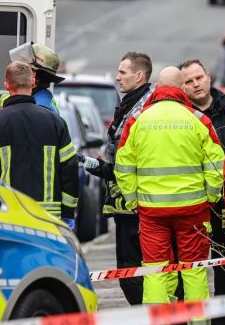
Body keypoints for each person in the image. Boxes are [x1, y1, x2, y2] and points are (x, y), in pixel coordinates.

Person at [114, 67, 225, 306]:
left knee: (155, 271)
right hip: (193, 209)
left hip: (152, 212)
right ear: (181, 88)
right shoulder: (198, 120)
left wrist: (134, 201)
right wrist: (211, 198)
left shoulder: (137, 120)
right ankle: (198, 322)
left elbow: (123, 166)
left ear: (157, 89)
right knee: (194, 271)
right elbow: (216, 165)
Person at [81, 51, 154, 305]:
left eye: (122, 72)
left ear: (139, 75)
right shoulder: (131, 104)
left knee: (134, 272)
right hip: (126, 203)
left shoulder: (144, 108)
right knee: (129, 271)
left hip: (137, 205)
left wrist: (105, 169)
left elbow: (134, 161)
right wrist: (101, 167)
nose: (117, 77)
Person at [0, 62, 79, 227]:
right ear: (32, 82)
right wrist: (68, 213)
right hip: (48, 218)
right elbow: (70, 170)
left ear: (7, 85)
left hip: (9, 214)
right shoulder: (55, 122)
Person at [179, 59, 225, 325]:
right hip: (196, 202)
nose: (196, 84)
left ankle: (224, 321)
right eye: (189, 81)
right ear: (182, 86)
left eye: (199, 78)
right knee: (191, 269)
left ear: (208, 76)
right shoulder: (181, 114)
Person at [8, 42, 66, 114]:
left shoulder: (39, 109)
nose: (16, 73)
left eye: (21, 70)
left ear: (32, 74)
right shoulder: (40, 97)